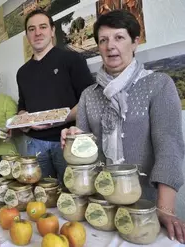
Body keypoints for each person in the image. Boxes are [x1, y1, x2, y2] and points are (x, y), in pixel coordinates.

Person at [61, 10, 185, 243]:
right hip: (101, 203)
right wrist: (73, 140)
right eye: (103, 40)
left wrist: (165, 209)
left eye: (119, 37)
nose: (110, 46)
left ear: (135, 42)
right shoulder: (89, 95)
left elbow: (170, 148)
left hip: (144, 204)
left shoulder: (158, 85)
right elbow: (87, 151)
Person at [17, 9, 94, 181]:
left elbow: (89, 100)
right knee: (40, 194)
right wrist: (25, 120)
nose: (37, 33)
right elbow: (22, 107)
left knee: (73, 193)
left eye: (43, 27)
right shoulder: (22, 72)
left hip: (68, 141)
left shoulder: (72, 59)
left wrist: (62, 118)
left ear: (52, 31)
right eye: (32, 29)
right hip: (34, 143)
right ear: (27, 35)